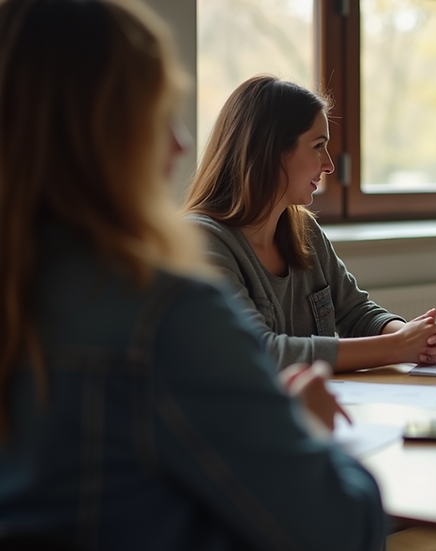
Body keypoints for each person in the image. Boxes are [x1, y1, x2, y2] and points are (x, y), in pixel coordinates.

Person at [0, 0, 384, 549]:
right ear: (101, 130)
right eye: (161, 113)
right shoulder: (166, 311)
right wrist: (303, 428)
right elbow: (341, 528)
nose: (181, 143)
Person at [183, 75, 436, 372]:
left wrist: (413, 337)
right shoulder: (200, 240)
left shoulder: (305, 232)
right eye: (318, 146)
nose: (329, 165)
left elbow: (355, 312)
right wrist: (396, 347)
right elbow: (257, 351)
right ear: (272, 150)